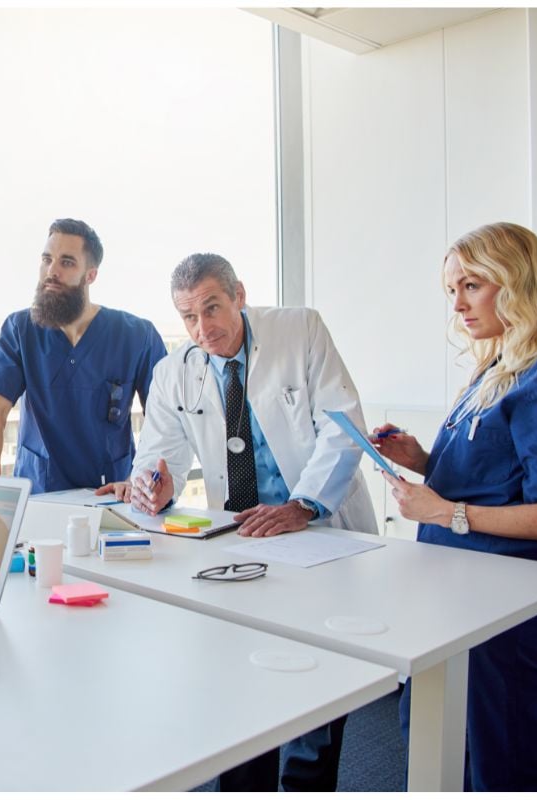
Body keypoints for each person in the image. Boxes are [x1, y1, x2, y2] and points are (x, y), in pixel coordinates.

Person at [125, 252, 377, 791]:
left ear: (239, 294)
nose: (203, 328)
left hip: (319, 532)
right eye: (188, 317)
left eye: (212, 308)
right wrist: (155, 484)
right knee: (240, 678)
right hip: (242, 543)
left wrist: (303, 504)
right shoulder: (175, 371)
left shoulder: (300, 329)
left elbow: (341, 426)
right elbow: (157, 455)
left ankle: (307, 784)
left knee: (318, 677)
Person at [373, 222, 537, 791]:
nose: (457, 305)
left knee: (498, 753)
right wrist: (423, 460)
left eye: (472, 286)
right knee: (438, 744)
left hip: (509, 601)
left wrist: (444, 513)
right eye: (451, 291)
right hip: (458, 590)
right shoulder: (495, 366)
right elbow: (490, 476)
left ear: (516, 282)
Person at [0, 218, 166, 494]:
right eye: (46, 259)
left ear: (90, 275)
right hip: (39, 495)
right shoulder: (20, 330)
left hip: (114, 497)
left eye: (66, 262)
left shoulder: (137, 335)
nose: (51, 271)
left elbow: (164, 422)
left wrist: (143, 480)